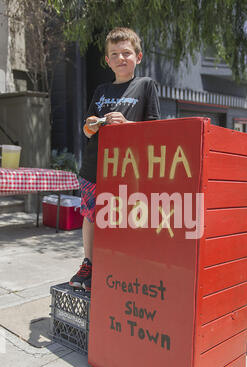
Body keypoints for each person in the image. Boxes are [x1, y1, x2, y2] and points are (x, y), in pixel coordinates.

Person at [69, 27, 161, 292]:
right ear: (107, 60)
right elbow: (86, 132)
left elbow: (155, 130)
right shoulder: (101, 90)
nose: (121, 58)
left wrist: (128, 124)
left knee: (125, 219)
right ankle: (89, 263)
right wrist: (91, 126)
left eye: (127, 53)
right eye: (115, 54)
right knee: (91, 215)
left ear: (138, 57)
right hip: (93, 166)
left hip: (127, 169)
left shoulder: (146, 86)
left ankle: (121, 266)